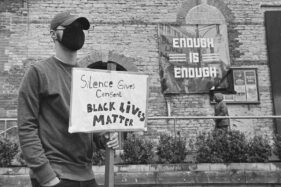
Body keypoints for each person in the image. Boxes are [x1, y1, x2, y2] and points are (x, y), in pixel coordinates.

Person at [17, 12, 119, 187]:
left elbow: (89, 121)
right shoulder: (38, 73)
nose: (76, 31)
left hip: (86, 174)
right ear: (53, 34)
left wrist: (105, 137)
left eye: (80, 28)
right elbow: (27, 128)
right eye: (70, 28)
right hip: (56, 174)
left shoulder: (87, 78)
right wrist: (47, 177)